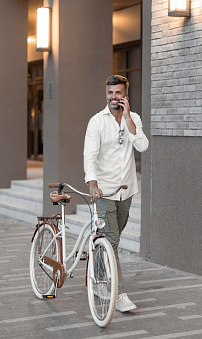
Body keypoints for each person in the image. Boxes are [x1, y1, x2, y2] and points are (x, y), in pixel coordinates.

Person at [83, 75, 149, 312]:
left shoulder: (134, 119)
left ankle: (99, 277)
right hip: (104, 192)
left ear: (125, 94)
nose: (114, 97)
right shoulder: (96, 122)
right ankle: (119, 295)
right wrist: (92, 183)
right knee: (111, 241)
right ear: (106, 94)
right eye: (110, 93)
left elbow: (142, 146)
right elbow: (89, 154)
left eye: (118, 93)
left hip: (126, 190)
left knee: (112, 240)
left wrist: (129, 119)